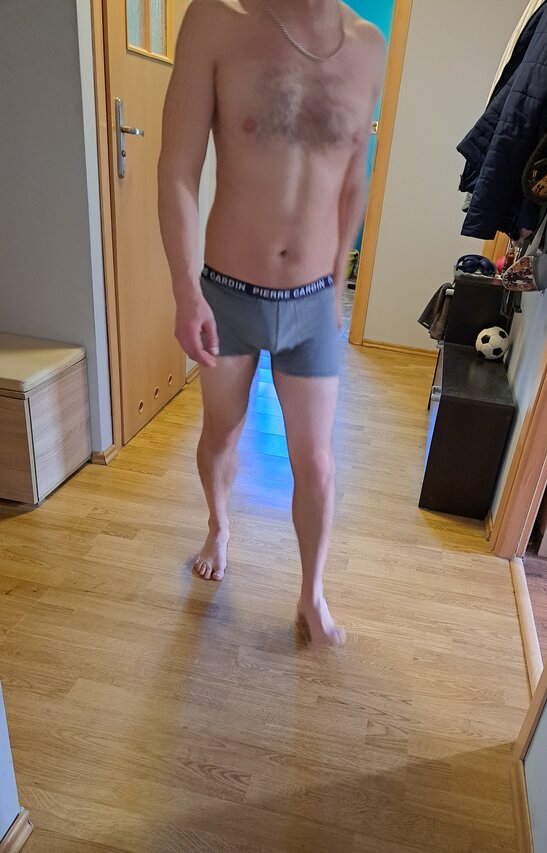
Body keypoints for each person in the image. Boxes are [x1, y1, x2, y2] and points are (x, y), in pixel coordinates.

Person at [158, 0, 386, 647]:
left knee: (317, 461)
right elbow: (177, 168)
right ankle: (218, 525)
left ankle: (312, 593)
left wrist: (337, 279)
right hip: (227, 295)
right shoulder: (217, 20)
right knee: (221, 434)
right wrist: (185, 290)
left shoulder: (368, 46)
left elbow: (353, 176)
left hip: (312, 302)